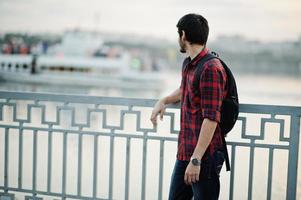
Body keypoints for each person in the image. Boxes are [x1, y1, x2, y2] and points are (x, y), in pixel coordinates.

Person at [150, 13, 227, 200]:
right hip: (186, 151)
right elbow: (184, 88)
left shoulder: (211, 68)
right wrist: (164, 100)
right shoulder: (189, 64)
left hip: (204, 156)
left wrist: (196, 159)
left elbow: (211, 117)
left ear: (183, 35)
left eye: (178, 34)